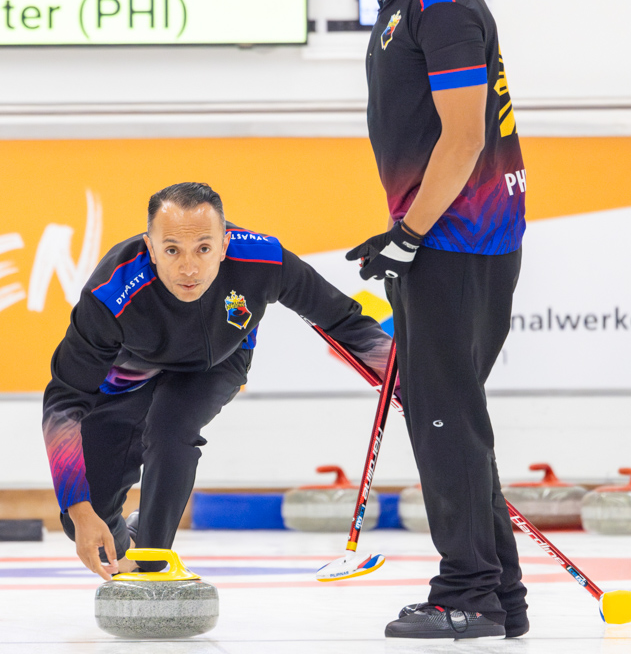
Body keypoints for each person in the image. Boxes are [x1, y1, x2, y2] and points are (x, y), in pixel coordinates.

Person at [302, 0, 528, 641]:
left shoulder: (440, 2)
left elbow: (465, 139)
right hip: (444, 235)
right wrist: (403, 232)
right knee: (450, 413)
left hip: (460, 241)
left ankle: (466, 592)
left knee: (442, 418)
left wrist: (411, 234)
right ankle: (502, 592)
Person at [42, 182, 392, 579]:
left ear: (225, 246)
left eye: (204, 249)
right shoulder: (110, 295)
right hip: (129, 374)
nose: (188, 268)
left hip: (217, 363)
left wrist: (399, 379)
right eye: (172, 249)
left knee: (170, 430)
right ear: (150, 247)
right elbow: (63, 402)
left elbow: (342, 320)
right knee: (87, 522)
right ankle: (132, 544)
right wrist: (79, 510)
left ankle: (152, 561)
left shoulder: (262, 259)